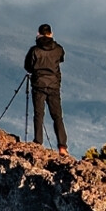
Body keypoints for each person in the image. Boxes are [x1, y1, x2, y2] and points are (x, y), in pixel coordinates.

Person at [24, 23, 68, 152]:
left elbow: (28, 67)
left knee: (39, 114)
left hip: (38, 85)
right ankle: (62, 147)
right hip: (54, 85)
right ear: (51, 34)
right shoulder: (58, 49)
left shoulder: (34, 50)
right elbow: (61, 59)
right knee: (57, 116)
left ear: (38, 34)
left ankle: (38, 142)